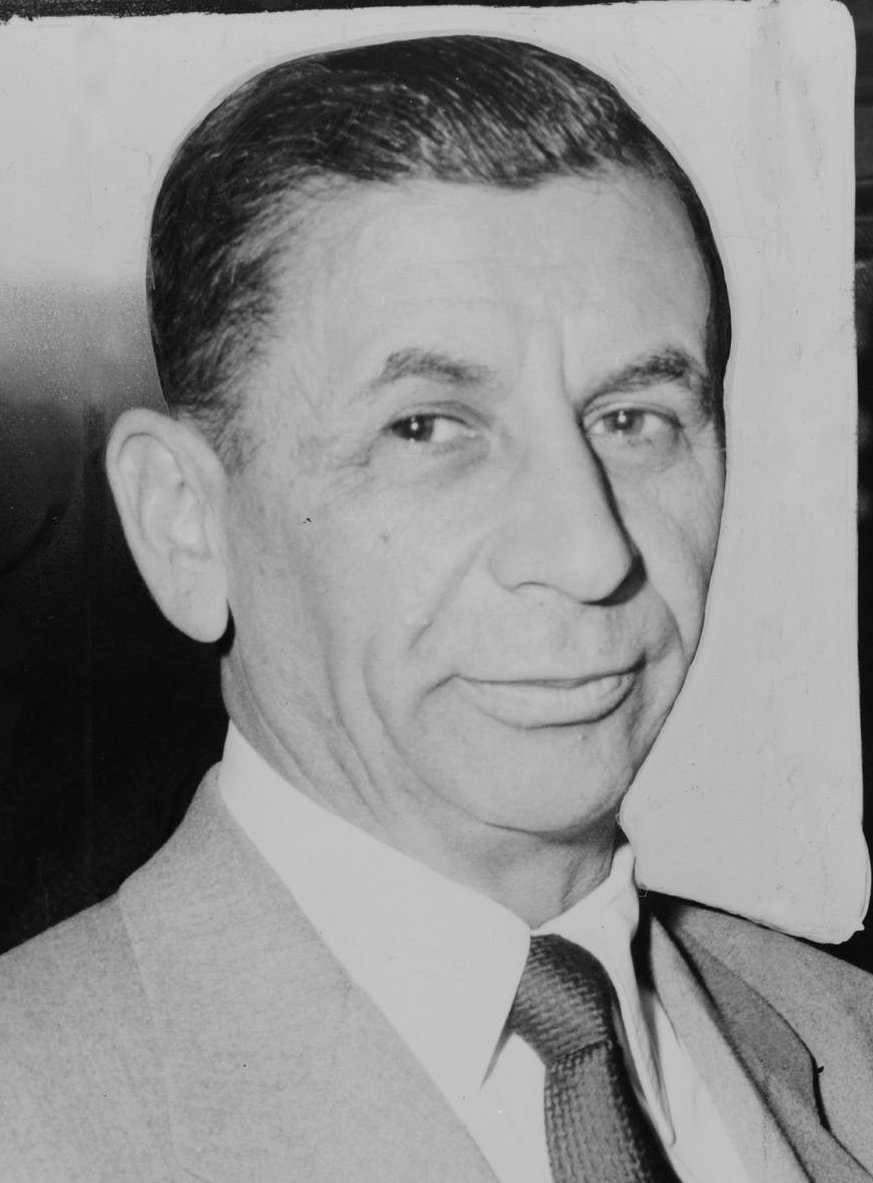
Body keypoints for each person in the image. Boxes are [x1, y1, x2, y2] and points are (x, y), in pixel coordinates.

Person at [2, 33, 872, 1183]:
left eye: (634, 419)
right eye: (427, 428)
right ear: (185, 524)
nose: (589, 551)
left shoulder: (848, 1037)